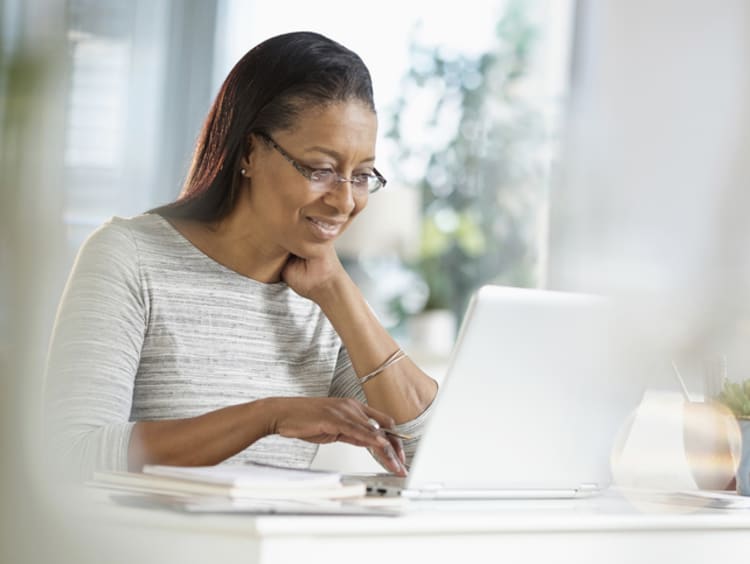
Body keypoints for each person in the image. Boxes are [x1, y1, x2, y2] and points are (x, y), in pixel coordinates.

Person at [44, 31, 438, 481]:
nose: (345, 201)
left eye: (362, 175)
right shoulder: (129, 257)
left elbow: (425, 453)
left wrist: (337, 292)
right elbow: (70, 454)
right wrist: (266, 417)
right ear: (250, 151)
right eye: (322, 170)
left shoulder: (322, 301)